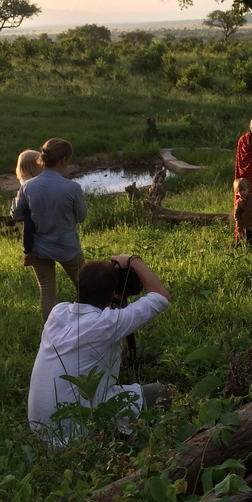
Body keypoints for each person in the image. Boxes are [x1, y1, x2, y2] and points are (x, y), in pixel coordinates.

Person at [28, 254, 171, 444]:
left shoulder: (57, 312)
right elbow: (161, 297)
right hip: (77, 430)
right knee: (162, 392)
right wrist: (133, 260)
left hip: (41, 427)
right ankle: (129, 440)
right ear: (112, 293)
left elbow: (97, 311)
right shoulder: (106, 324)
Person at [11, 137, 87, 322]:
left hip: (39, 248)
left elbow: (15, 213)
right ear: (63, 161)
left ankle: (50, 335)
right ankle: (89, 325)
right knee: (85, 287)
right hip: (67, 246)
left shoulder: (28, 186)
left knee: (47, 291)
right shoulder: (72, 188)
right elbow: (81, 217)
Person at [14, 149, 42, 267]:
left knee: (28, 222)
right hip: (35, 210)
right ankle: (28, 250)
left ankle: (28, 250)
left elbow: (15, 212)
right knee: (28, 221)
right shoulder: (29, 182)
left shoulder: (25, 182)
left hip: (34, 210)